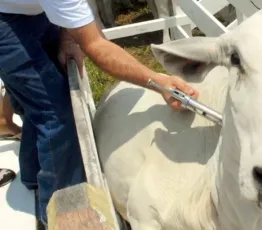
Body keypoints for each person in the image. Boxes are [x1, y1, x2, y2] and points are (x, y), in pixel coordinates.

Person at [0, 0, 199, 226]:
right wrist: (159, 82)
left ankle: (32, 174)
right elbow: (96, 46)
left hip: (28, 10)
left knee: (37, 101)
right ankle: (63, 212)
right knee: (56, 115)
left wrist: (68, 36)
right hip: (7, 23)